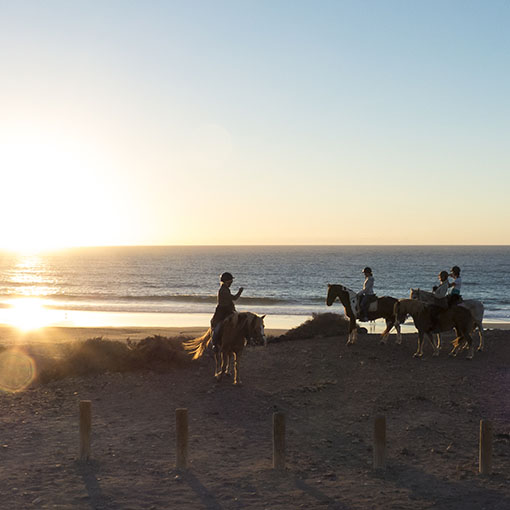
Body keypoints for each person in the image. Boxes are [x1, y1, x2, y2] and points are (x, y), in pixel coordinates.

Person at [210, 272, 244, 352]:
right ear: (226, 281)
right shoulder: (223, 290)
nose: (231, 283)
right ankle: (214, 343)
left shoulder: (226, 289)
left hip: (229, 310)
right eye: (230, 281)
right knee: (217, 326)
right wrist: (240, 292)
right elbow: (234, 298)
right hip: (222, 312)